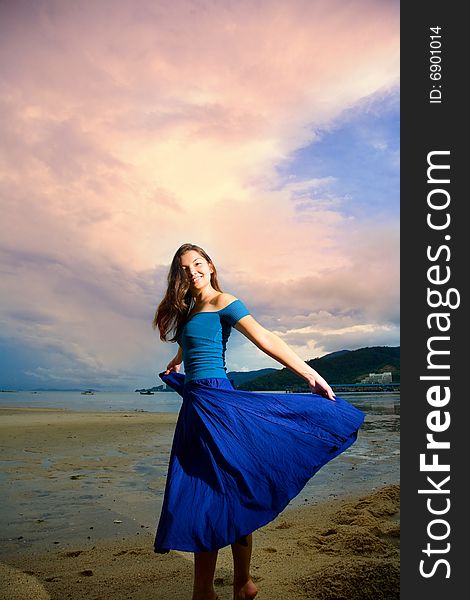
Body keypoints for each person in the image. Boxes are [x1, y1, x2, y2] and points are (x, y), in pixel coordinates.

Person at [152, 243, 364, 600]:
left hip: (219, 404)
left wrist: (309, 374)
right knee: (211, 491)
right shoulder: (190, 311)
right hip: (196, 408)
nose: (193, 272)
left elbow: (265, 338)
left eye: (198, 264)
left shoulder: (225, 301)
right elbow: (192, 346)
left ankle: (223, 587)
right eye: (185, 269)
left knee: (224, 490)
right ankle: (233, 587)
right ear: (179, 277)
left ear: (211, 266)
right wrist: (176, 361)